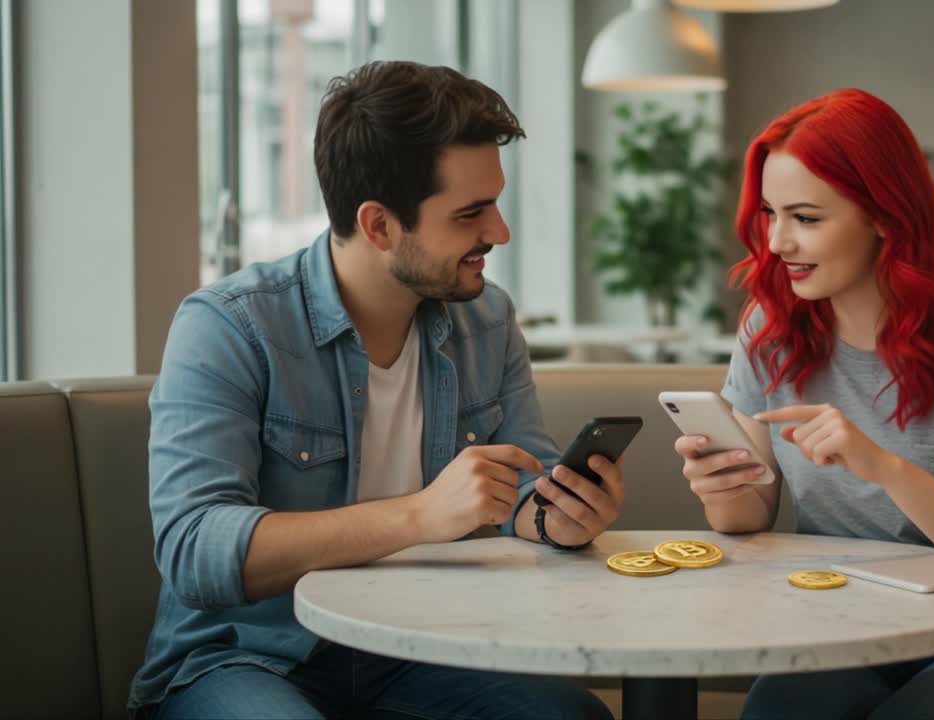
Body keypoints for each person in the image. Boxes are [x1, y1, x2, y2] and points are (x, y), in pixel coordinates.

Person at [129, 62, 618, 720]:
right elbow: (194, 549)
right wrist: (419, 516)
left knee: (570, 716)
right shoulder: (229, 326)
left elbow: (522, 488)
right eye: (471, 213)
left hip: (424, 649)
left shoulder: (487, 320)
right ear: (380, 225)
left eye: (495, 204)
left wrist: (556, 517)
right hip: (244, 656)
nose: (498, 232)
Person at [675, 88, 934, 720]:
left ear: (885, 215)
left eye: (805, 218)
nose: (777, 242)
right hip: (834, 634)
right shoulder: (767, 329)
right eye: (771, 214)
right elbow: (747, 517)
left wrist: (881, 464)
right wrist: (719, 486)